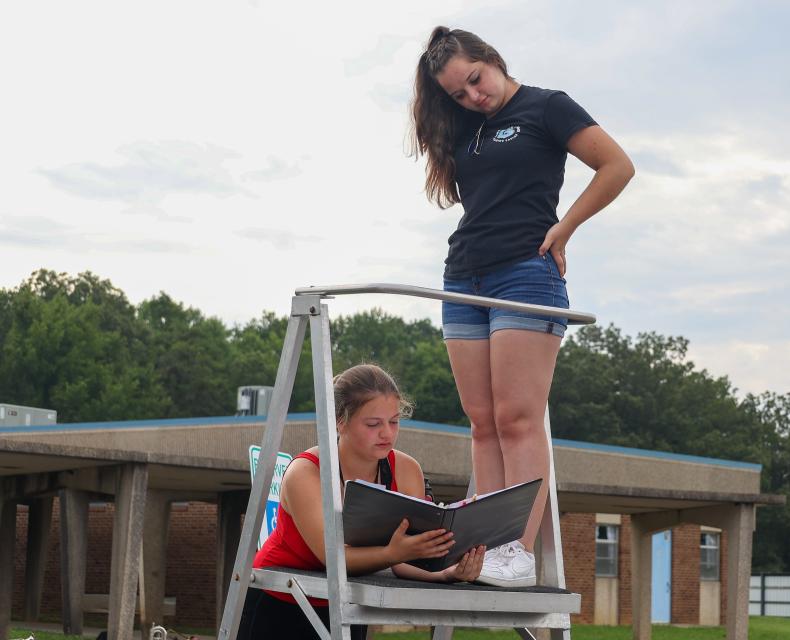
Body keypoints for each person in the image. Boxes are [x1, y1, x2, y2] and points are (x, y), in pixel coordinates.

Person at [411, 27, 634, 587]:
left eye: (475, 81)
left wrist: (565, 228)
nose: (473, 98)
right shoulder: (466, 128)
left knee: (517, 419)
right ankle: (486, 544)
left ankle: (518, 550)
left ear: (491, 60)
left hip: (524, 275)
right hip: (462, 276)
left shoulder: (547, 107)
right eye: (458, 95)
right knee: (483, 424)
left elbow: (617, 166)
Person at [237, 364, 484, 639]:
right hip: (280, 603)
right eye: (373, 424)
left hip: (346, 602)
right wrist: (394, 553)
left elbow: (404, 562)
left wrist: (447, 572)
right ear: (340, 421)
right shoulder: (306, 473)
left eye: (394, 421)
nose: (387, 434)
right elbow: (333, 558)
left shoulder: (405, 470)